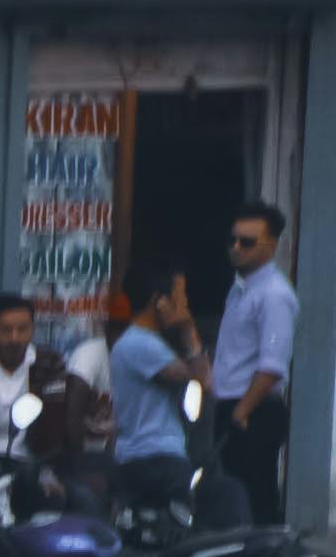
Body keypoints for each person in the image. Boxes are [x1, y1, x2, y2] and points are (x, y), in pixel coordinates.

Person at [0, 289, 93, 489]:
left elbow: (53, 422)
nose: (14, 338)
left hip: (35, 461)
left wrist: (39, 470)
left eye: (22, 329)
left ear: (33, 329)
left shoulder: (49, 363)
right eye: (6, 330)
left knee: (73, 501)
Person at [213, 203, 297, 524]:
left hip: (254, 410)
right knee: (233, 496)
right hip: (232, 406)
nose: (236, 248)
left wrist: (242, 411)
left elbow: (272, 365)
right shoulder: (240, 290)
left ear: (271, 246)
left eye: (246, 242)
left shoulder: (274, 294)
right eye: (233, 240)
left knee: (256, 496)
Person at [108, 261, 208, 523]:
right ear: (160, 301)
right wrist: (188, 329)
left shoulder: (145, 344)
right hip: (155, 459)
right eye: (180, 298)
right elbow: (202, 380)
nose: (185, 305)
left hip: (146, 457)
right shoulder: (140, 344)